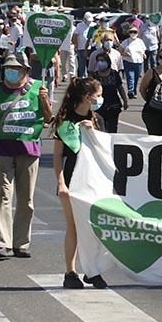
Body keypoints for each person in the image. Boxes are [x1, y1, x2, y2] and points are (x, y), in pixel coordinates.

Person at [0, 52, 52, 259]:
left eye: (16, 68)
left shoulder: (38, 89)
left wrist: (45, 100)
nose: (11, 72)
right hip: (3, 150)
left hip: (29, 150)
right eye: (8, 68)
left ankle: (21, 243)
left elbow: (49, 119)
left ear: (26, 71)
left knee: (26, 199)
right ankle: (1, 243)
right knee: (4, 196)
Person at [53, 77, 108, 289]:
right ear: (87, 97)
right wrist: (61, 183)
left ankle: (92, 270)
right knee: (74, 226)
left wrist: (92, 132)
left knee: (94, 226)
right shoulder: (65, 121)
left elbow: (105, 148)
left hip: (93, 180)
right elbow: (58, 156)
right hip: (72, 179)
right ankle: (70, 271)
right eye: (98, 95)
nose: (100, 99)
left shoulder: (97, 119)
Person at [91, 51, 128, 133]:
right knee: (100, 129)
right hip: (99, 106)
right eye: (98, 61)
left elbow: (120, 88)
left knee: (112, 129)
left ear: (107, 62)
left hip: (113, 105)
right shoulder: (95, 76)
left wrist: (125, 101)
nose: (100, 63)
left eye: (102, 60)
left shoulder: (114, 74)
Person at [119, 26, 147, 97]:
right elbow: (120, 49)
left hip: (139, 62)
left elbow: (143, 50)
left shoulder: (140, 41)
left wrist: (144, 54)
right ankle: (130, 91)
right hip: (128, 62)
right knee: (130, 77)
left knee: (136, 77)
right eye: (131, 32)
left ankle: (134, 90)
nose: (133, 33)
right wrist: (124, 54)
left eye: (135, 32)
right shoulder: (126, 41)